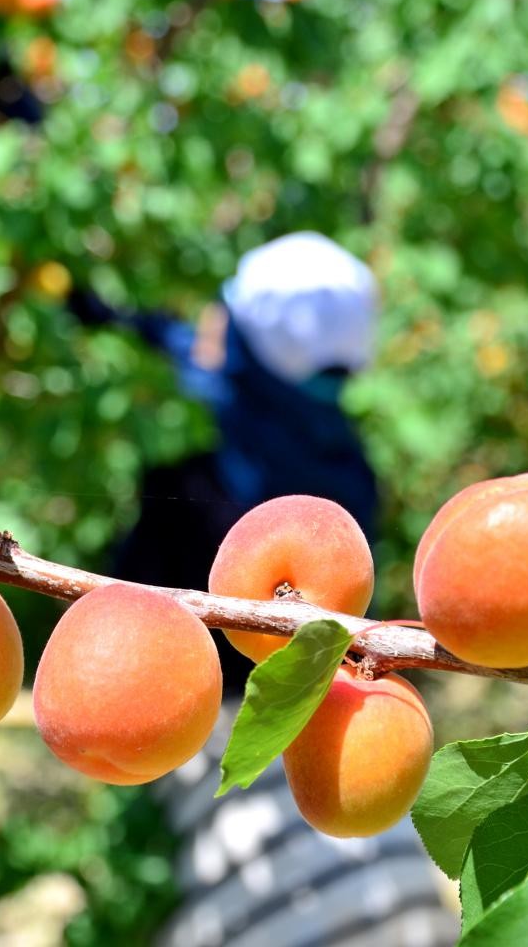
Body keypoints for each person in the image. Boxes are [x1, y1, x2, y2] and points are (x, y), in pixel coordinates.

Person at [68, 231, 456, 947]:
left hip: (227, 768)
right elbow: (173, 337)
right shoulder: (342, 468)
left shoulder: (195, 447)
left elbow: (124, 605)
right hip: (355, 762)